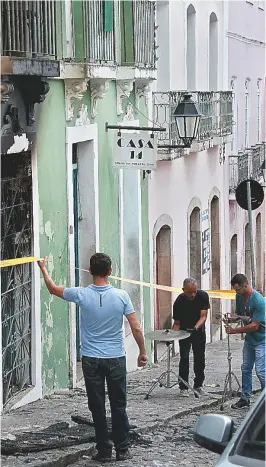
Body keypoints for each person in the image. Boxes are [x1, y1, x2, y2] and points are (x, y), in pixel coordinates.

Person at [38, 253, 148, 463]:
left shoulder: (80, 294)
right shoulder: (122, 296)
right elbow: (135, 326)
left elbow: (52, 289)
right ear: (110, 271)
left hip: (91, 359)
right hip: (116, 357)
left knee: (96, 406)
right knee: (118, 405)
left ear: (89, 272)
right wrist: (142, 351)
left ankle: (104, 451)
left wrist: (43, 268)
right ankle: (122, 449)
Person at [225, 273, 265, 409]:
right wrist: (232, 319)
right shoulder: (239, 297)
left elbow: (254, 325)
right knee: (246, 368)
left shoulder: (259, 301)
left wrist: (234, 331)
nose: (236, 292)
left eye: (238, 289)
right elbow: (242, 316)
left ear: (245, 286)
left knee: (260, 371)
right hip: (250, 340)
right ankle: (245, 398)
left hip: (262, 340)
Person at [172, 278, 210, 396]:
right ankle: (183, 387)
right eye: (189, 292)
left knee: (199, 359)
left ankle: (198, 385)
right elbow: (177, 323)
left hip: (198, 331)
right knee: (184, 359)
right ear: (183, 290)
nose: (193, 294)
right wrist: (172, 336)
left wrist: (196, 327)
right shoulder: (179, 302)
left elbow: (203, 316)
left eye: (194, 291)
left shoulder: (202, 296)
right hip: (184, 332)